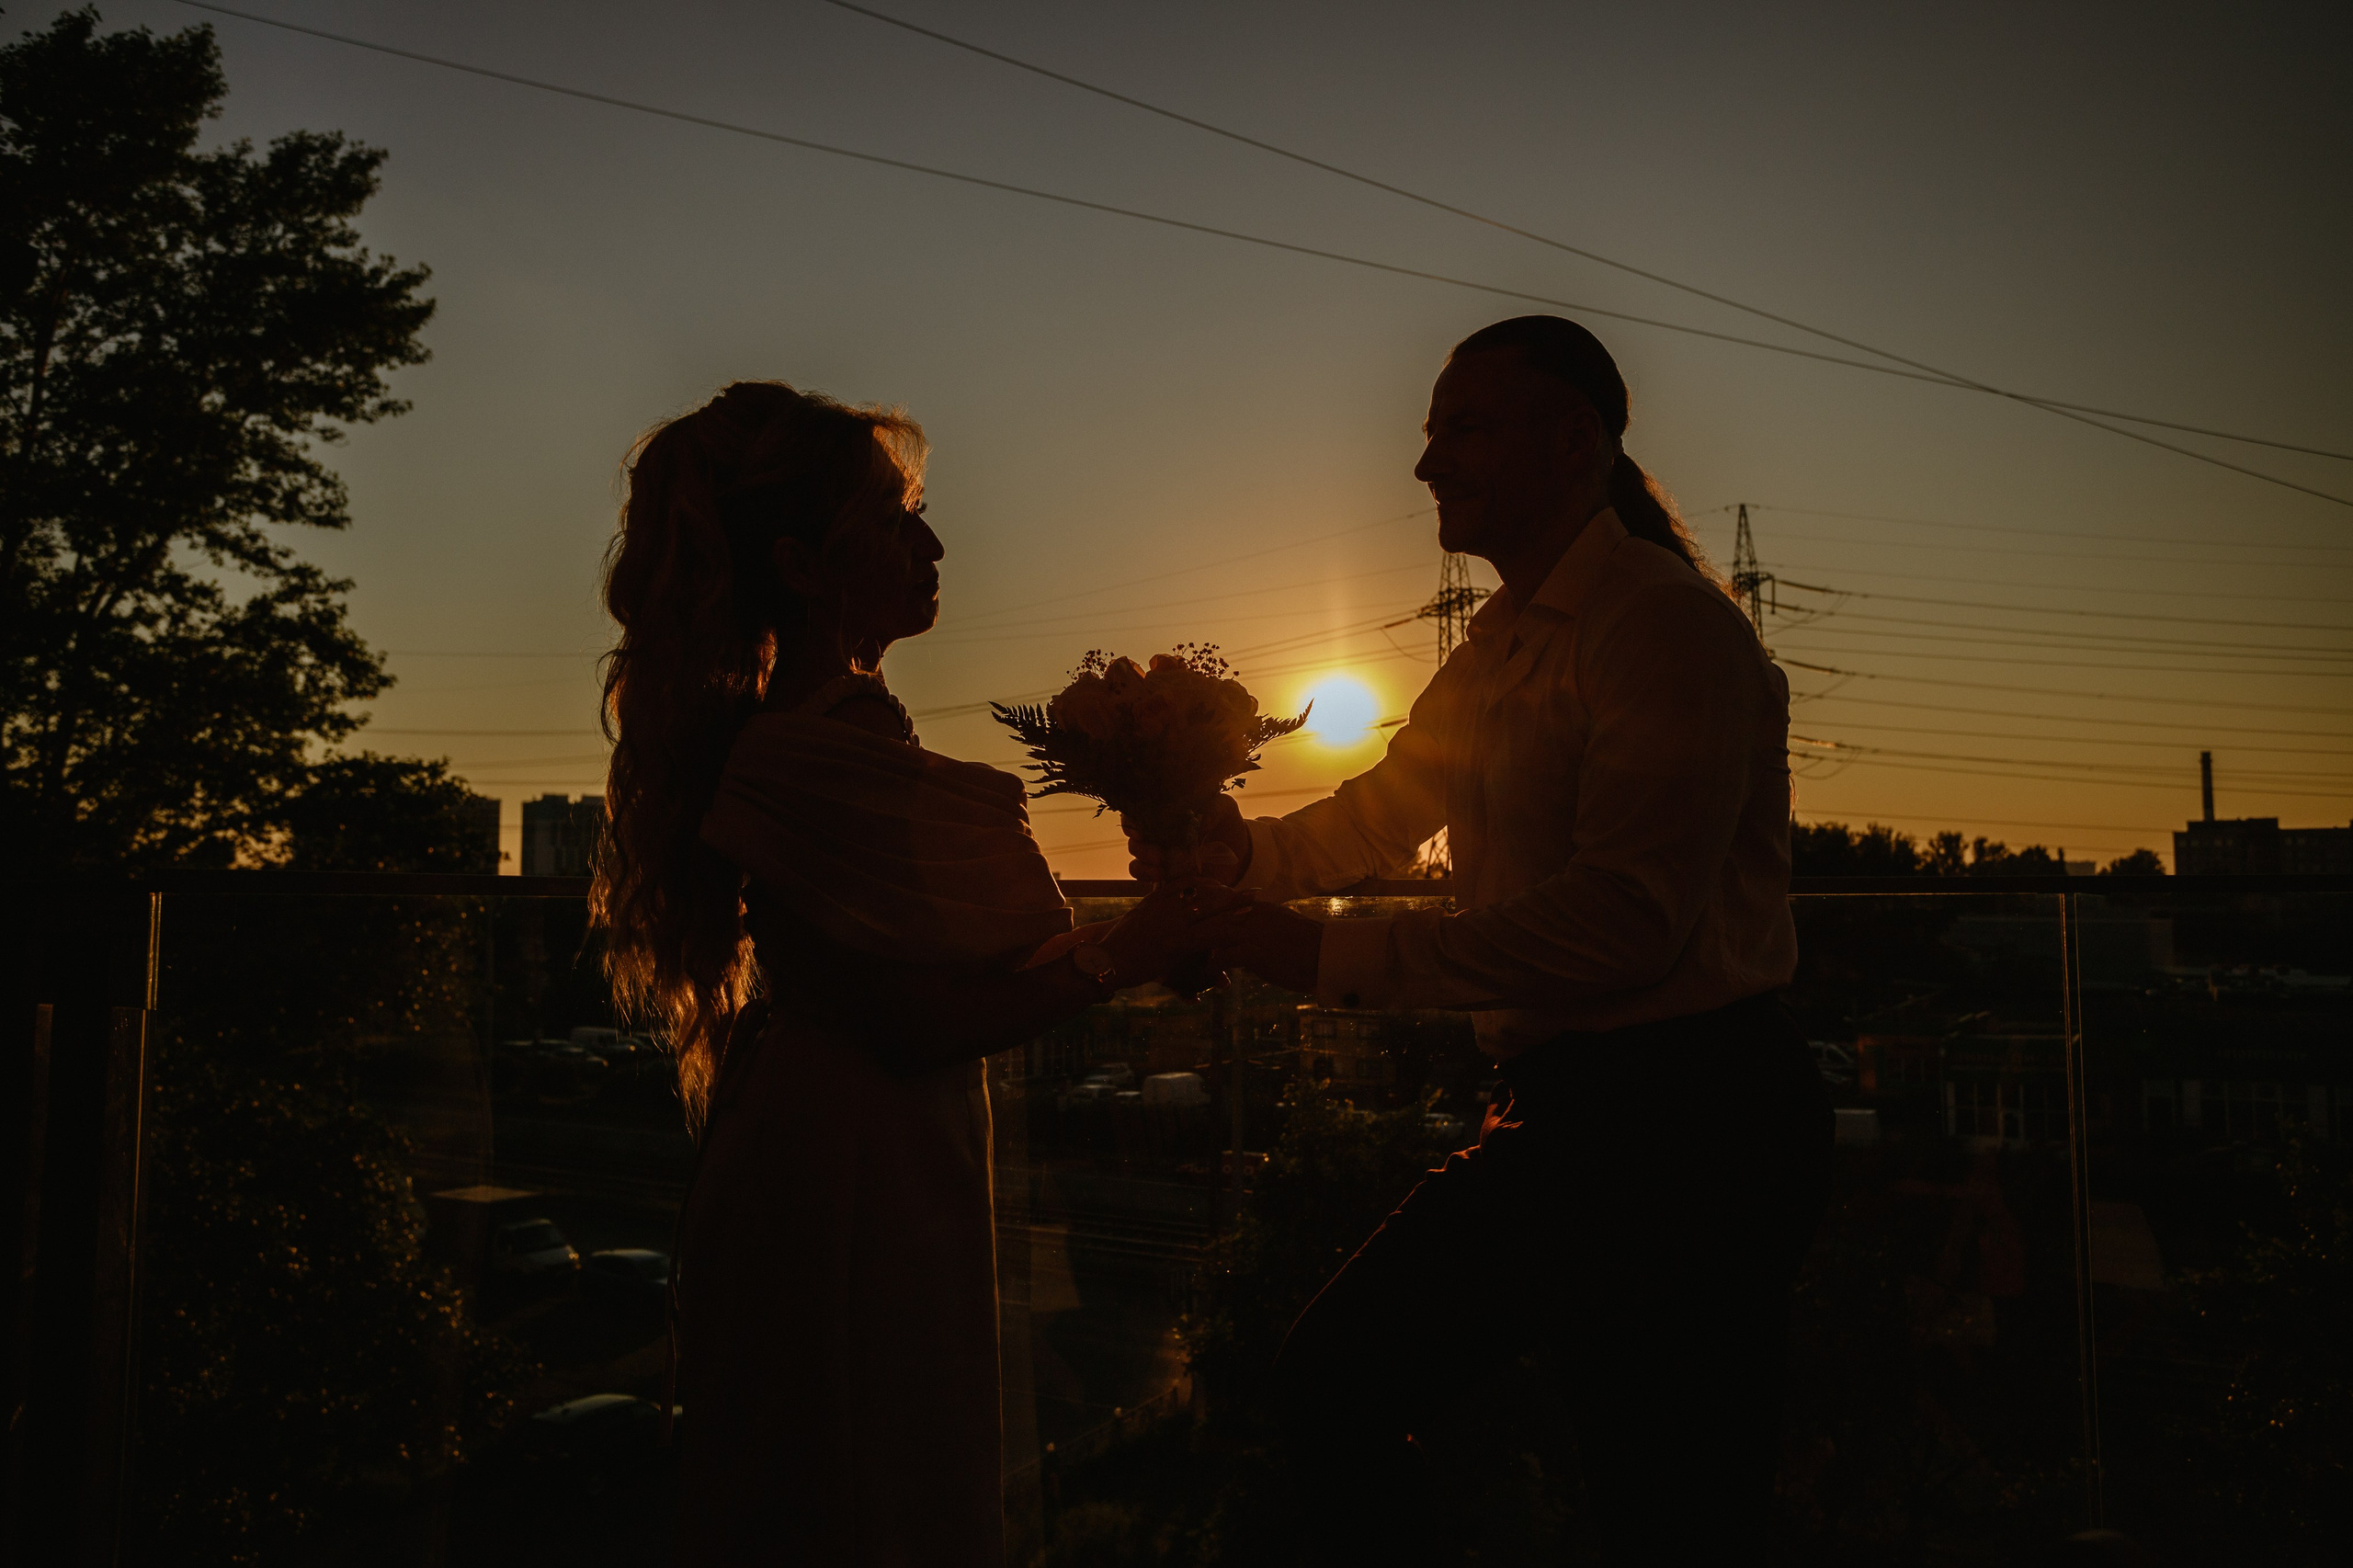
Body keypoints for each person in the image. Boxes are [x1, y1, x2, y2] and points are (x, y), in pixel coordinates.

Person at [1128, 317, 1832, 1559]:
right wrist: (1237, 856)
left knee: (1660, 1501)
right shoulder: (1507, 639)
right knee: (1365, 1392)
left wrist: (1317, 957)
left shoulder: (1664, 630)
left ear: (1574, 441)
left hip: (1689, 1124)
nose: (1427, 465)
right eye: (1430, 432)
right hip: (1580, 1118)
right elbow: (1387, 810)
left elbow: (1622, 925)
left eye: (1464, 427)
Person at [596, 381, 1245, 1566]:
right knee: (859, 1470)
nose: (933, 543)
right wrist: (1123, 956)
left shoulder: (854, 731)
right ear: (801, 561)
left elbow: (945, 972)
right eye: (895, 520)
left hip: (874, 1135)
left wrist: (1159, 909)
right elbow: (904, 1021)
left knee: (876, 1462)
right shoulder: (807, 753)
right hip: (846, 1155)